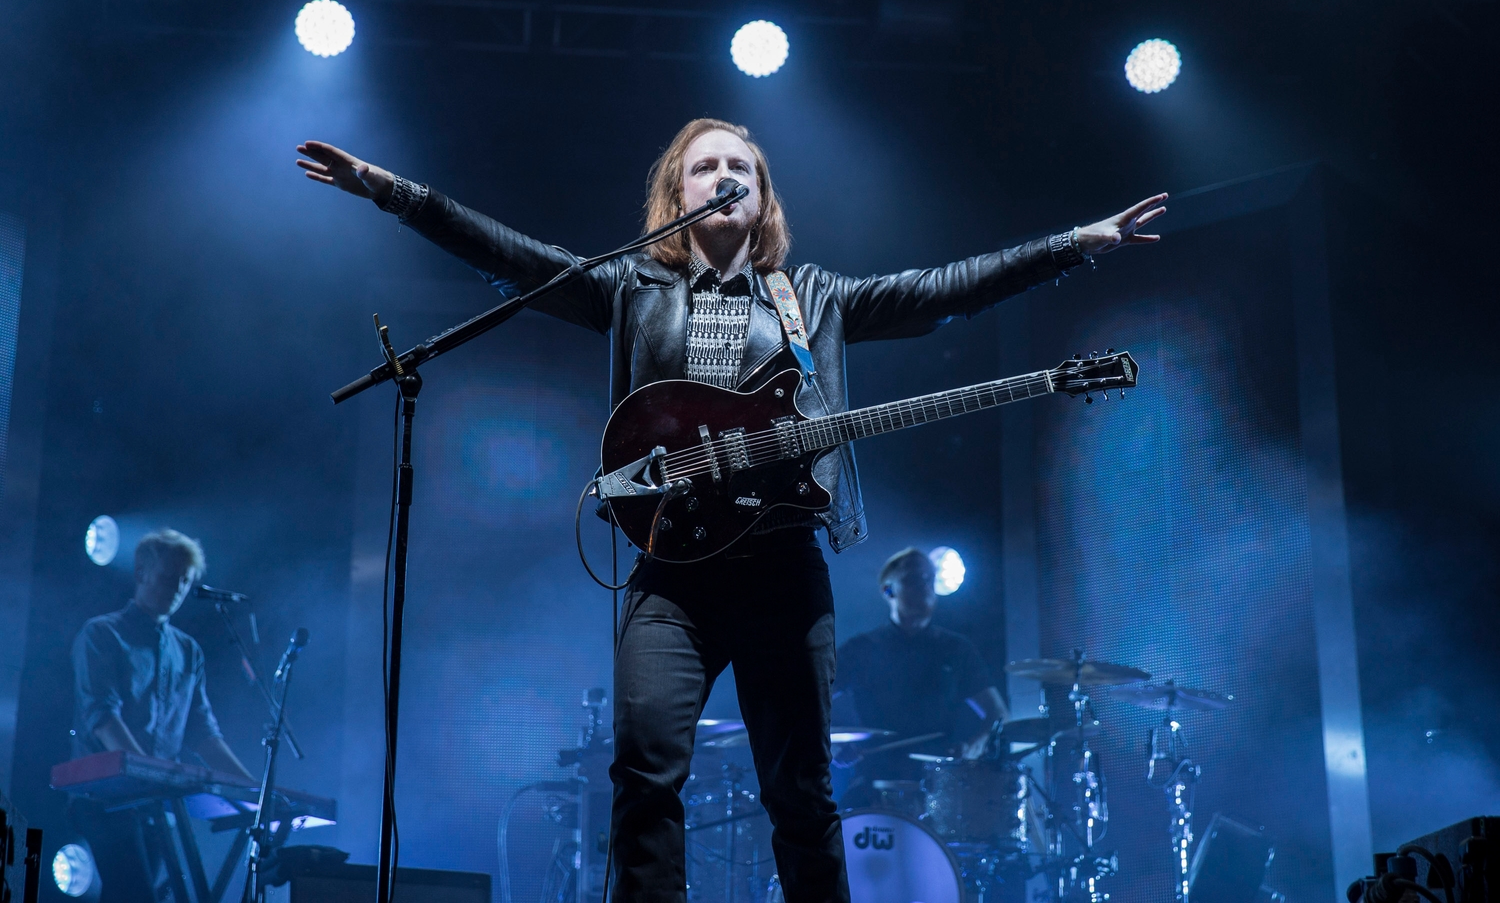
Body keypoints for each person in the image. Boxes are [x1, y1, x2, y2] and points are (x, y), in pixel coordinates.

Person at [295, 120, 1165, 903]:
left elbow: (946, 288)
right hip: (669, 576)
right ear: (676, 193)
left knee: (801, 791)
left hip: (783, 569)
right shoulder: (632, 288)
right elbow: (514, 256)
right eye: (704, 165)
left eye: (738, 166)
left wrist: (1073, 244)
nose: (722, 176)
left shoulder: (811, 297)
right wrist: (390, 189)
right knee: (644, 774)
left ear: (761, 196)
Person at [70, 528, 254, 903]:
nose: (178, 589)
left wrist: (255, 792)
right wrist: (147, 774)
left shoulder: (188, 652)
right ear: (140, 573)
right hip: (105, 798)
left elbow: (204, 733)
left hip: (156, 805)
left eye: (185, 582)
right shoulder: (102, 634)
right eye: (169, 578)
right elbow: (103, 718)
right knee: (136, 895)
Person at [833, 548, 1009, 805]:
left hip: (941, 787)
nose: (925, 586)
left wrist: (974, 746)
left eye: (929, 579)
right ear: (888, 590)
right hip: (873, 782)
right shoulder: (860, 649)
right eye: (914, 579)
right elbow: (814, 701)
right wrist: (833, 746)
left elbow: (998, 713)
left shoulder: (956, 649)